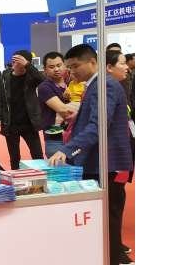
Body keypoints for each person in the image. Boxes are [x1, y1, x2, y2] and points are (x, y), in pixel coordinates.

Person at [48, 45, 133, 265]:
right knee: (105, 216)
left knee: (109, 217)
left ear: (92, 62)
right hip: (101, 161)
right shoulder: (96, 84)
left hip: (107, 163)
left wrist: (67, 149)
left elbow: (99, 125)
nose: (71, 71)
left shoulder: (104, 85)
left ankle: (114, 258)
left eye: (75, 66)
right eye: (69, 67)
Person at [0, 50, 45, 170]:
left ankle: (41, 175)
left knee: (37, 155)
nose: (14, 64)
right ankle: (15, 178)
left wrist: (28, 65)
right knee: (14, 158)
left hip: (30, 123)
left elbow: (43, 80)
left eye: (18, 61)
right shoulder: (4, 77)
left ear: (26, 63)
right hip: (10, 124)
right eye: (13, 61)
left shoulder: (31, 77)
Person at [37, 52, 76, 158]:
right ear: (45, 69)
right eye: (51, 67)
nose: (56, 69)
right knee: (59, 168)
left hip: (75, 137)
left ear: (65, 65)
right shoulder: (44, 87)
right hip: (55, 140)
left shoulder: (73, 83)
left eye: (59, 65)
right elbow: (63, 110)